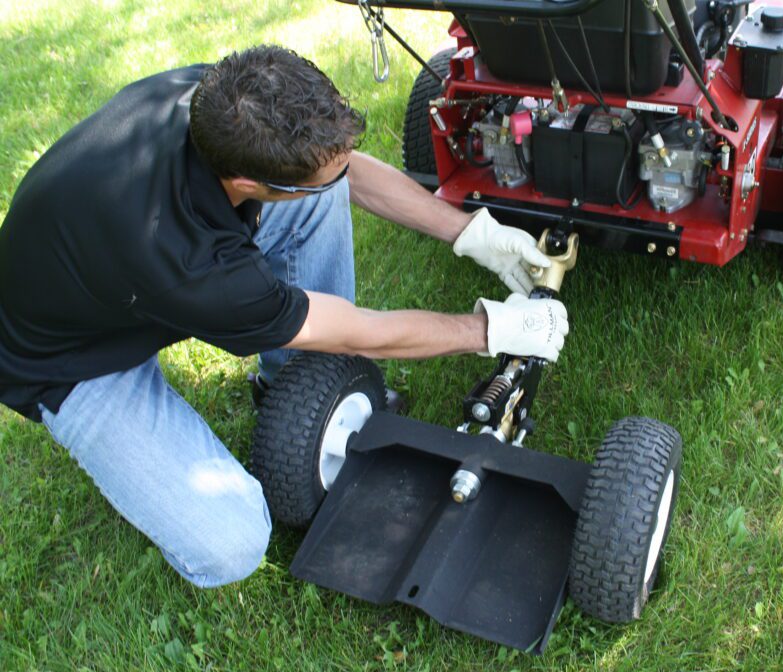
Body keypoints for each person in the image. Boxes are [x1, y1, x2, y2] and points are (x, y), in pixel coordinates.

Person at [0, 45, 569, 588]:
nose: (341, 175)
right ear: (248, 186)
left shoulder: (228, 99)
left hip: (104, 267)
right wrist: (489, 329)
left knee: (317, 190)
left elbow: (340, 170)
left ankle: (293, 387)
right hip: (69, 357)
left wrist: (470, 232)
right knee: (232, 542)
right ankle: (278, 394)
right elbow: (358, 329)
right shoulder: (199, 266)